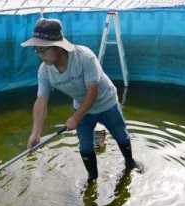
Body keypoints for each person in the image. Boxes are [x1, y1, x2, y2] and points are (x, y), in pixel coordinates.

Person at [21, 18, 142, 185]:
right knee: (85, 147)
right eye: (37, 50)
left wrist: (76, 118)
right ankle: (92, 178)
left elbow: (93, 93)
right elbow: (41, 101)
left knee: (121, 136)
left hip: (106, 103)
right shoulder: (45, 71)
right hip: (82, 108)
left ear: (58, 46)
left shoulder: (84, 57)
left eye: (43, 50)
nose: (40, 55)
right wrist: (36, 133)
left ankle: (130, 163)